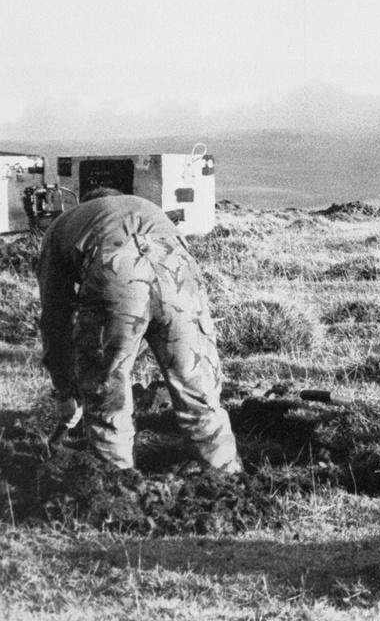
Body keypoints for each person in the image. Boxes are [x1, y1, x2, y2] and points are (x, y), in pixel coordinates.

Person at [36, 188, 241, 473]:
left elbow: (55, 316)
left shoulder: (64, 224)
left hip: (114, 267)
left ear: (88, 202)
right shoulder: (147, 207)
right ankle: (229, 481)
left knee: (107, 395)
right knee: (198, 390)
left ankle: (116, 490)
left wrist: (66, 390)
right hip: (178, 270)